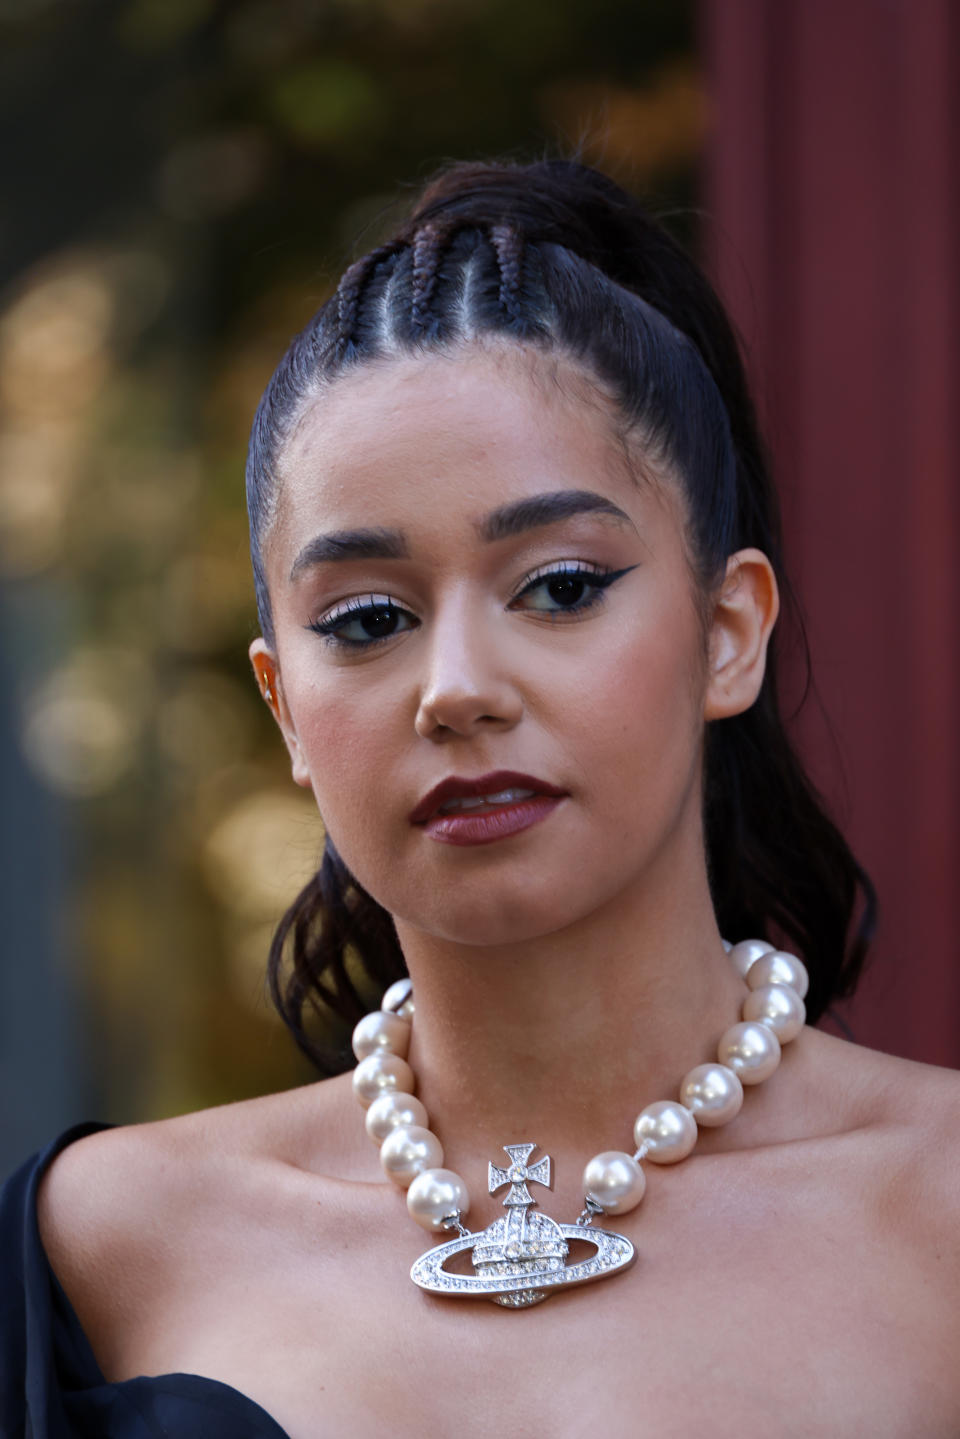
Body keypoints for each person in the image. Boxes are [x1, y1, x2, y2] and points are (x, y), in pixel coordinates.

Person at [3, 157, 959, 1439]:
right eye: (370, 617)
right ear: (284, 706)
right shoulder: (96, 1252)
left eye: (559, 586)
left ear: (728, 633)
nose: (455, 689)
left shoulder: (938, 1216)